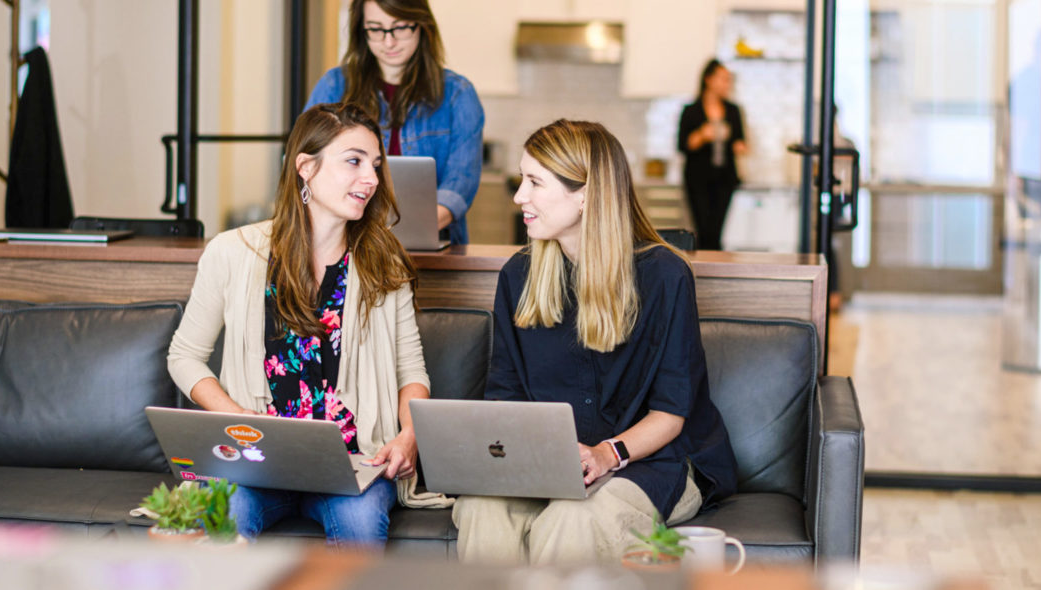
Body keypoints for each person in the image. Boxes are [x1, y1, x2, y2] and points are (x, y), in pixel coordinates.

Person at [452, 119, 738, 565]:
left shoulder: (664, 276)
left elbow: (671, 414)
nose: (518, 197)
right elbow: (505, 396)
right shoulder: (518, 276)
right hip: (550, 465)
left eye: (534, 182)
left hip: (650, 463)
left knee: (573, 521)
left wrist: (607, 455)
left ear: (584, 195)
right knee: (480, 509)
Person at [166, 102, 449, 549]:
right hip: (253, 461)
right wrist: (235, 417)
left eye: (375, 165)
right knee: (226, 521)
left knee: (359, 525)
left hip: (355, 461)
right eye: (354, 161)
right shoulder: (231, 252)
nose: (372, 178)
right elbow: (184, 356)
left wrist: (410, 436)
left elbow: (411, 370)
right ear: (306, 167)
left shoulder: (384, 261)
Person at [304, 0, 484, 245]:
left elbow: (460, 185)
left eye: (400, 28)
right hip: (344, 243)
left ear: (421, 25)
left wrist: (408, 232)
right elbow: (307, 164)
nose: (389, 42)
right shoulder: (334, 86)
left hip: (430, 247)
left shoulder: (457, 94)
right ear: (361, 31)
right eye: (376, 29)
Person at [677, 59, 748, 251]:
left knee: (717, 230)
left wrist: (739, 146)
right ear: (709, 79)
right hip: (698, 179)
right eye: (723, 79)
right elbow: (683, 145)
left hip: (725, 179)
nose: (727, 84)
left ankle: (714, 272)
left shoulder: (733, 111)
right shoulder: (691, 111)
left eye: (729, 80)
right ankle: (704, 271)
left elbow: (741, 142)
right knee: (703, 229)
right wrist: (703, 135)